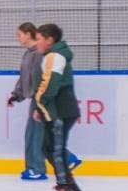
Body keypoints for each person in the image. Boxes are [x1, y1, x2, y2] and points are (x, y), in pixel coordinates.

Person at [6, 22, 77, 181]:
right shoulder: (30, 54)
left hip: (41, 99)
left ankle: (36, 168)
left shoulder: (40, 54)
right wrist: (16, 95)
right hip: (38, 98)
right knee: (42, 134)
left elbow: (44, 79)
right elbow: (25, 78)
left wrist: (41, 101)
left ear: (28, 34)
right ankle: (69, 158)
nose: (18, 38)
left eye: (20, 35)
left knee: (35, 135)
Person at [33, 23, 86, 191]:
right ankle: (70, 187)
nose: (36, 43)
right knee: (49, 148)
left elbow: (50, 83)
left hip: (59, 111)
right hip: (57, 110)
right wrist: (41, 108)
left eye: (39, 39)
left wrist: (40, 101)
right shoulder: (55, 55)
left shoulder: (54, 56)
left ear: (50, 39)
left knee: (55, 150)